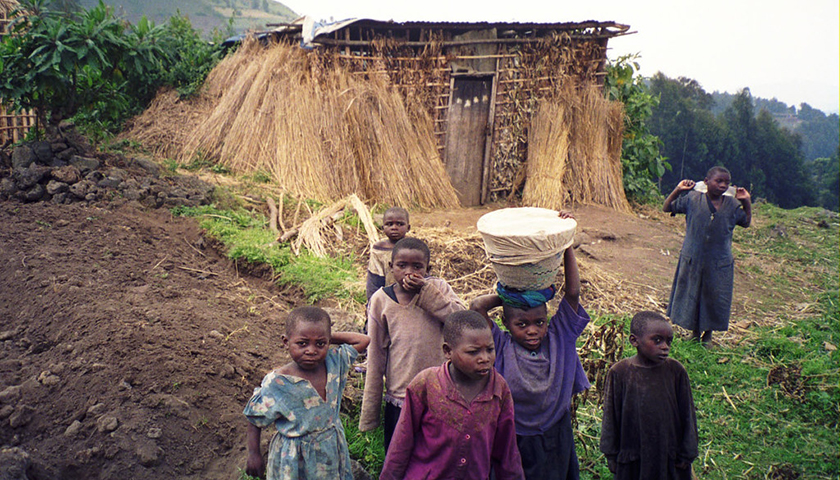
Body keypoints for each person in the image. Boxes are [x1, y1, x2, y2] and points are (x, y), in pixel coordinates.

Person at [470, 214, 590, 480]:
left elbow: (572, 293)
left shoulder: (560, 337)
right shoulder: (499, 345)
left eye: (539, 322)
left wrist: (566, 243)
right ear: (505, 323)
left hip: (555, 430)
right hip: (514, 433)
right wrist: (511, 297)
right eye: (521, 324)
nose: (533, 330)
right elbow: (477, 307)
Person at [380, 310, 525, 480]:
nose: (485, 358)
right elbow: (402, 443)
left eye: (490, 350)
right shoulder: (426, 384)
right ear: (448, 351)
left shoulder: (499, 390)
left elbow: (507, 451)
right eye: (473, 352)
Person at [360, 236, 465, 451]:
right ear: (391, 267)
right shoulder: (381, 299)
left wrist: (427, 294)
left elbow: (462, 321)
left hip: (441, 392)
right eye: (401, 265)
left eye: (417, 266)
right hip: (400, 395)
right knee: (400, 456)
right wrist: (370, 414)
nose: (409, 272)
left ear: (428, 268)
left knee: (439, 455)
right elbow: (375, 357)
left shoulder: (439, 288)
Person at [243, 306, 370, 480]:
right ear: (286, 342)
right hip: (294, 458)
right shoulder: (278, 382)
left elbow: (363, 340)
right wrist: (254, 454)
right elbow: (254, 418)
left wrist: (325, 335)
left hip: (331, 450)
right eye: (302, 343)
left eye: (320, 344)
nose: (311, 350)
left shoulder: (334, 362)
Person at [600, 311, 698, 479]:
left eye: (669, 341)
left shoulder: (676, 371)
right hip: (632, 458)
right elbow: (611, 416)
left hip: (669, 457)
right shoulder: (620, 372)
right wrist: (611, 454)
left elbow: (688, 415)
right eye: (657, 340)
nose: (665, 346)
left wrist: (688, 452)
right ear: (634, 340)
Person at [663, 166, 752, 346]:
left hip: (719, 262)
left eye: (726, 182)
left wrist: (747, 201)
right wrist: (678, 189)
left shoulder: (732, 206)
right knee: (693, 293)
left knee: (714, 296)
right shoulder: (692, 199)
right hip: (693, 258)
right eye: (718, 181)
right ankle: (694, 333)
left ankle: (708, 335)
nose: (723, 185)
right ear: (706, 182)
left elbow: (746, 222)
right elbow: (667, 208)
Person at [366, 207, 411, 301]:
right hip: (386, 299)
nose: (394, 228)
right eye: (389, 224)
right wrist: (372, 304)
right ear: (383, 228)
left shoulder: (413, 248)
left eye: (400, 224)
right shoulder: (378, 250)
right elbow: (374, 280)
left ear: (408, 227)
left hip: (412, 296)